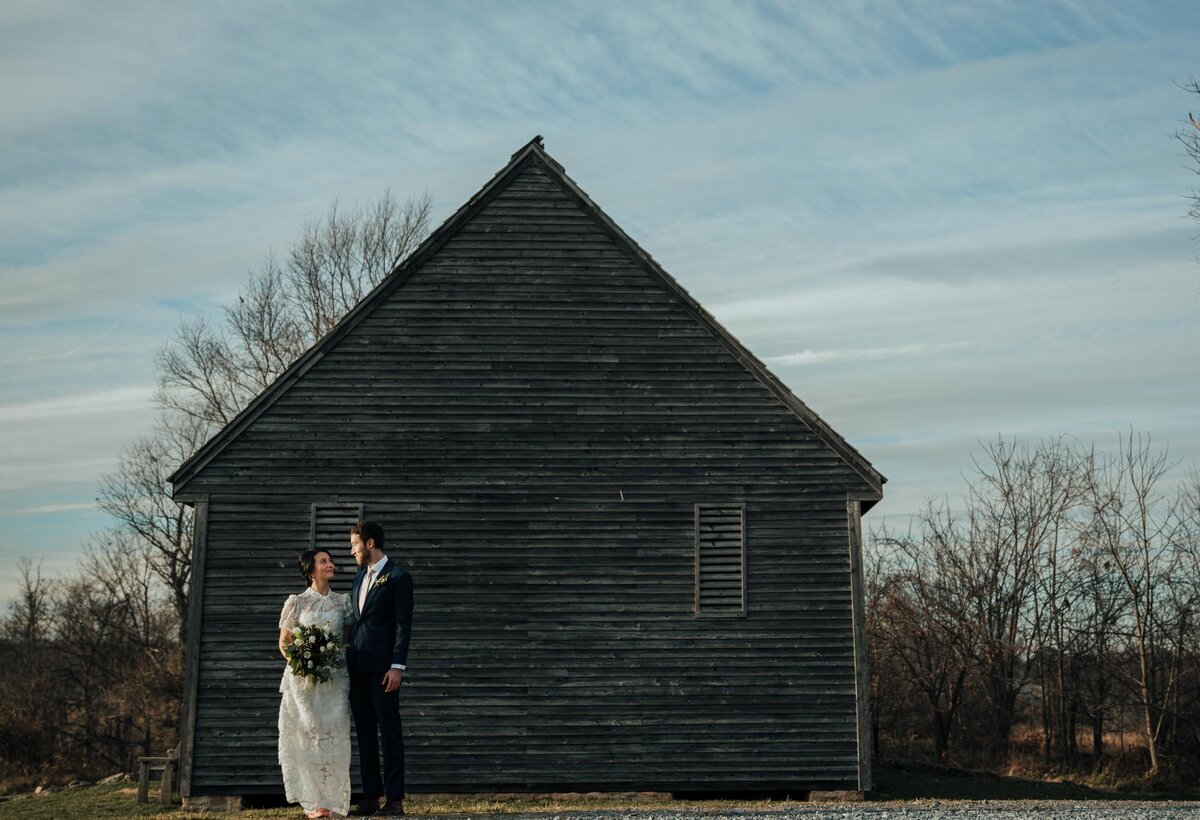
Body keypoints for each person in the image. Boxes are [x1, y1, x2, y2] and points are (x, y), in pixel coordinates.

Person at [277, 548, 353, 819]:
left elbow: (345, 642)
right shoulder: (297, 603)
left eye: (331, 560)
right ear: (311, 571)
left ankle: (332, 800)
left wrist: (328, 659)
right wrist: (304, 662)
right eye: (324, 561)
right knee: (307, 736)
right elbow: (285, 644)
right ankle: (313, 803)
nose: (331, 564)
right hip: (303, 681)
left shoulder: (343, 603)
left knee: (334, 736)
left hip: (334, 679)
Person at [348, 521, 414, 817]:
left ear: (370, 543)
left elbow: (403, 624)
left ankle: (395, 800)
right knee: (364, 733)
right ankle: (371, 796)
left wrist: (397, 666)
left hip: (385, 669)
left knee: (389, 732)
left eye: (354, 545)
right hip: (358, 667)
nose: (352, 551)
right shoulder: (358, 577)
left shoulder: (399, 577)